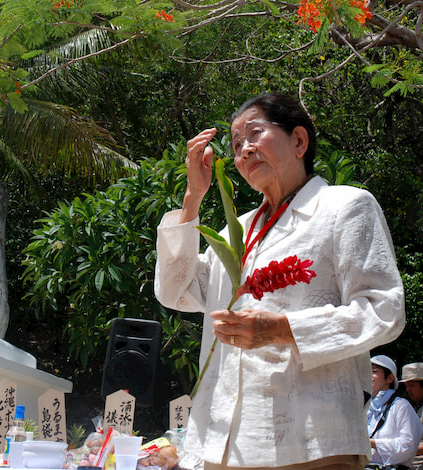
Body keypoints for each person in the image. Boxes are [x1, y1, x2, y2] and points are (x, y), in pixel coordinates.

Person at [154, 92, 406, 470]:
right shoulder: (236, 231)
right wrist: (194, 197)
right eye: (237, 144)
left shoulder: (344, 207)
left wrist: (282, 329)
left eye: (255, 134)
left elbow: (383, 310)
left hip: (311, 441)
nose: (244, 150)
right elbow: (178, 289)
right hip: (223, 442)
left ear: (299, 141)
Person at [367, 355, 423, 470]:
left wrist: (372, 443)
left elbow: (408, 447)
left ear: (390, 378)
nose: (367, 376)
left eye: (373, 371)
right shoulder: (366, 407)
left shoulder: (401, 406)